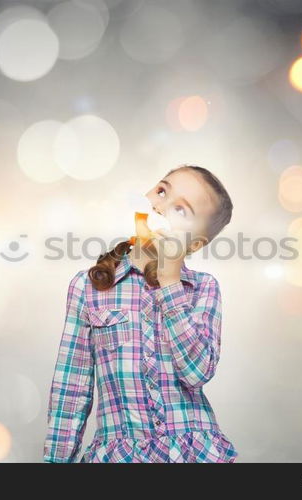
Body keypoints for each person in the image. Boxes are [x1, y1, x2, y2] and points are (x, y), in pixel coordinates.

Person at [43, 164, 237, 463]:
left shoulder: (203, 289)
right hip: (119, 454)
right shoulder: (88, 287)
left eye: (181, 210)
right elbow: (72, 389)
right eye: (161, 191)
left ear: (195, 243)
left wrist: (170, 282)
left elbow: (197, 373)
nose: (160, 207)